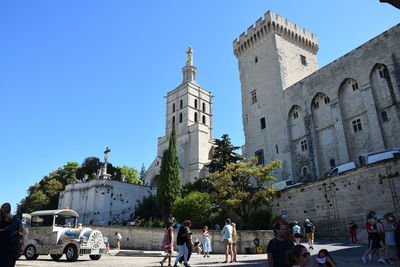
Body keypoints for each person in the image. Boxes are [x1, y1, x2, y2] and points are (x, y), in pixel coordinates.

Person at [0, 203, 22, 267]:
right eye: (3, 207)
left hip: (9, 243)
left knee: (8, 262)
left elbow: (20, 227)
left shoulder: (12, 218)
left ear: (9, 209)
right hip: (1, 242)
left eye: (6, 207)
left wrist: (17, 232)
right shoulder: (0, 218)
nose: (4, 209)